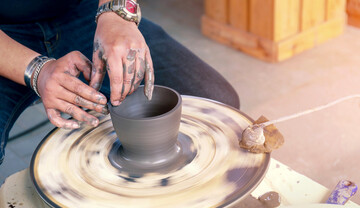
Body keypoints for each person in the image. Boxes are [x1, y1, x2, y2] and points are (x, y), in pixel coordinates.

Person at [0, 0, 240, 165]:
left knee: (217, 104)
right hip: (6, 36)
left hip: (84, 10)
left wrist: (116, 13)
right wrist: (37, 71)